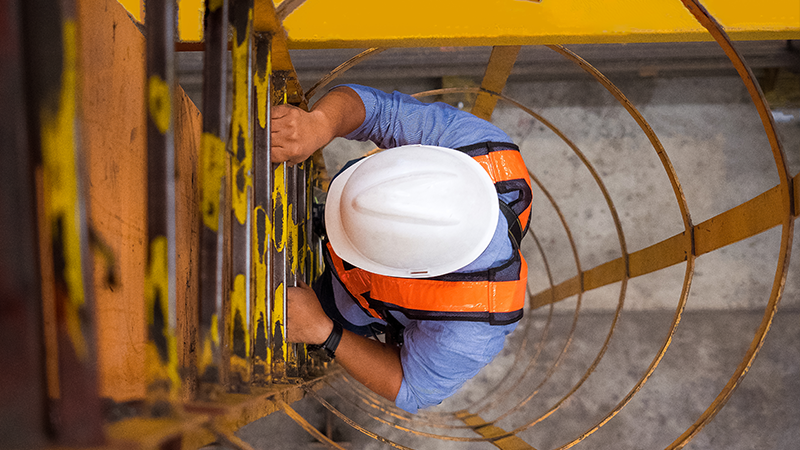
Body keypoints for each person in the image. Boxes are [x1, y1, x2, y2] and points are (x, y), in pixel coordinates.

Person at [270, 84, 532, 414]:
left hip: (347, 302)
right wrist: (320, 124)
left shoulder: (473, 326)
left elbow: (411, 386)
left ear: (413, 270)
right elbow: (380, 110)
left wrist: (324, 331)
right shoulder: (481, 149)